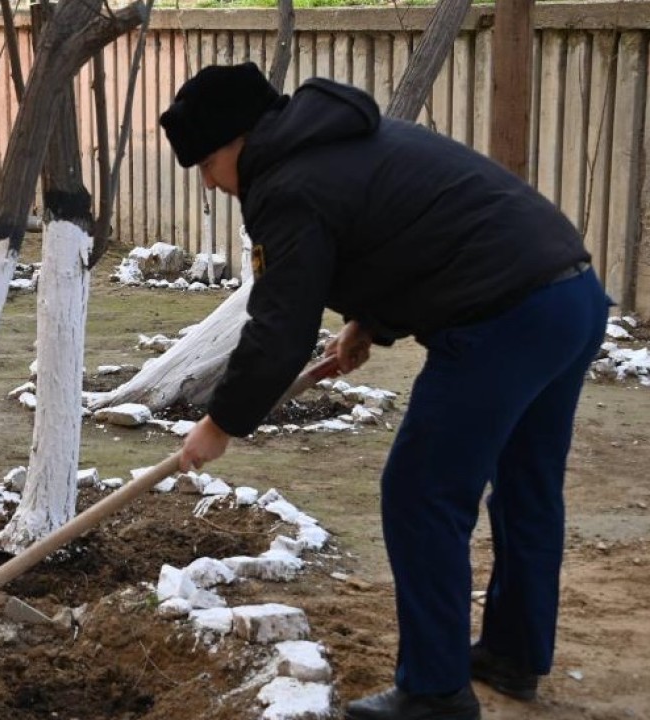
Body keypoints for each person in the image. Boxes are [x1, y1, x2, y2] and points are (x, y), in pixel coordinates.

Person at [160, 63, 609, 720]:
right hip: (569, 297)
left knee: (421, 492)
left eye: (204, 161)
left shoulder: (286, 184)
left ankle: (434, 692)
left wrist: (220, 422)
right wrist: (371, 321)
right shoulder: (341, 141)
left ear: (237, 140)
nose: (207, 179)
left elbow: (280, 328)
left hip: (505, 320)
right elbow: (413, 229)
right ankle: (514, 653)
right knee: (526, 484)